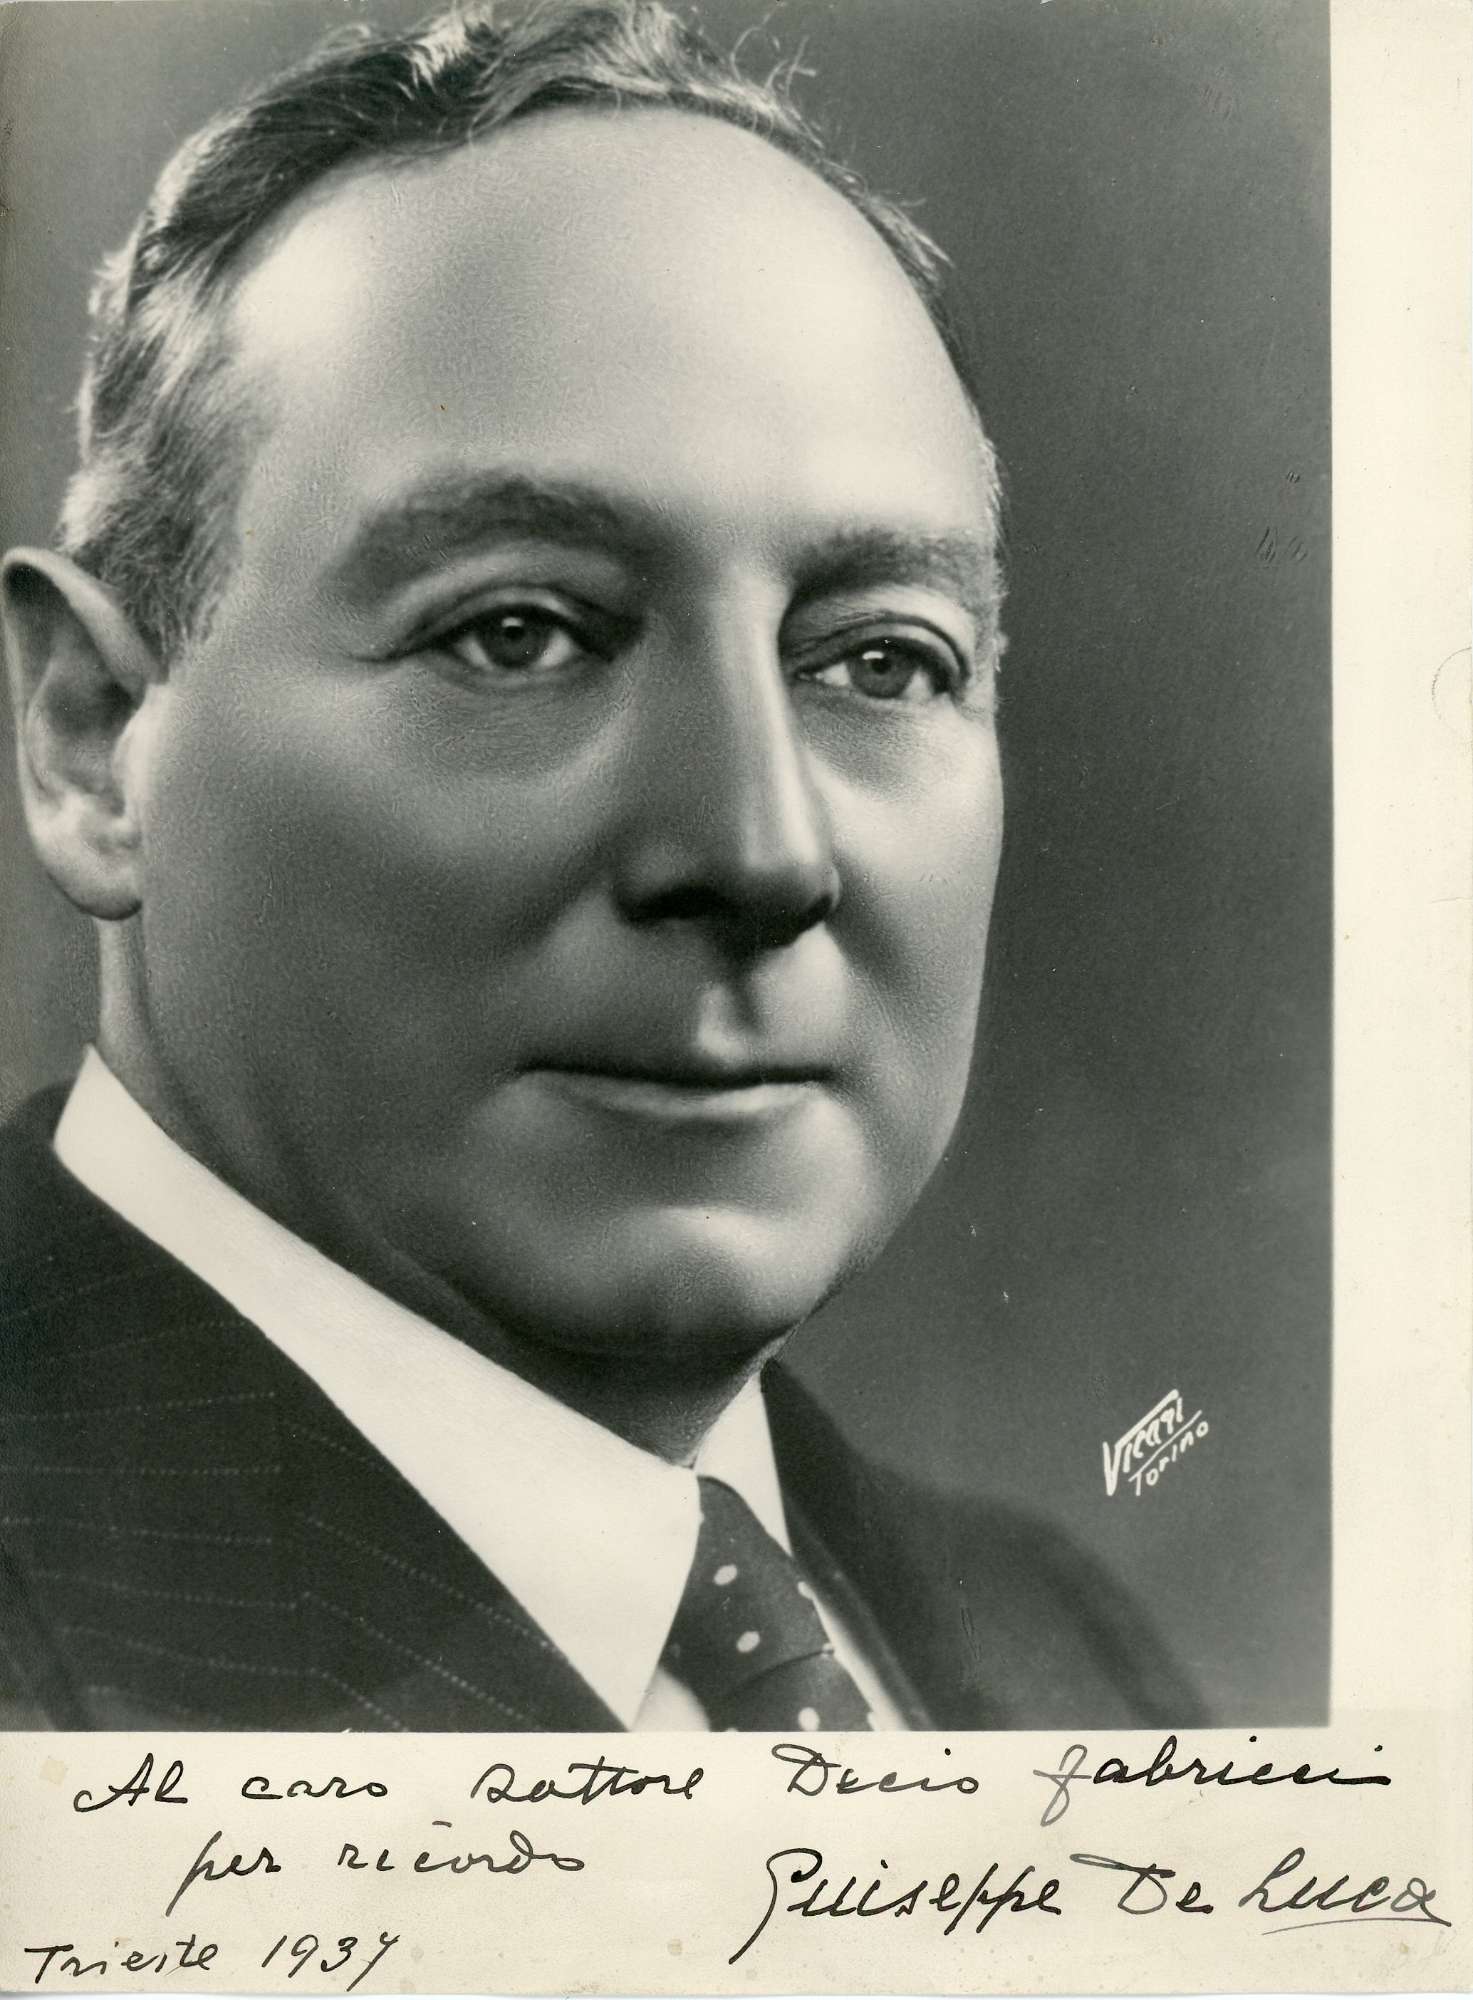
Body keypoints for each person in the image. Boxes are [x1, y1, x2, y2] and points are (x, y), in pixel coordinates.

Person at [0, 0, 1204, 1732]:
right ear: (95, 740)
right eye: (519, 634)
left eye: (882, 660)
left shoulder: (1064, 1654)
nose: (759, 849)